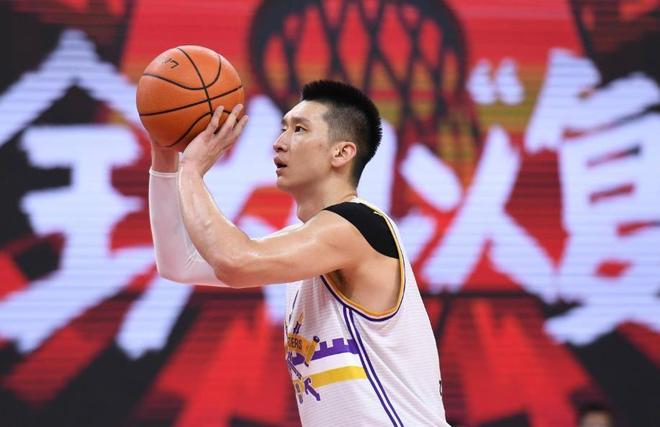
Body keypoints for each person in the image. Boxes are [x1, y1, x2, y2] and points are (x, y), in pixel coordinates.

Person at [149, 80, 450, 426]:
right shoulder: (309, 243)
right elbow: (179, 264)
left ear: (341, 153)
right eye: (283, 128)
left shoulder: (358, 225)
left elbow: (235, 261)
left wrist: (190, 170)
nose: (278, 142)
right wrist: (165, 156)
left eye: (299, 129)